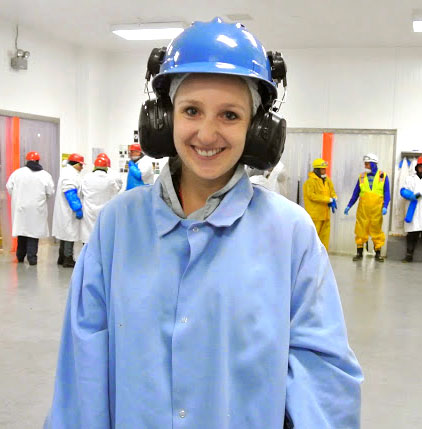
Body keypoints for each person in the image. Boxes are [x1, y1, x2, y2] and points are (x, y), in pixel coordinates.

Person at [45, 18, 362, 429]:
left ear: (258, 130)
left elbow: (324, 379)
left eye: (229, 115)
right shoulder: (118, 227)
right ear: (163, 118)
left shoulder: (289, 234)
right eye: (191, 110)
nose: (207, 134)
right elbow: (82, 365)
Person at [5, 151, 55, 265]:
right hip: (37, 208)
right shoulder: (45, 175)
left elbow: (9, 187)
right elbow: (50, 192)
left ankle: (20, 256)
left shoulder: (17, 173)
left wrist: (18, 197)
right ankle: (32, 258)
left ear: (27, 160)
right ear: (38, 161)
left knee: (22, 231)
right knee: (34, 233)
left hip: (21, 207)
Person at [344, 153, 390, 262]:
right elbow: (356, 193)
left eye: (367, 163)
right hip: (363, 210)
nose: (365, 165)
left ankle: (377, 253)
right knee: (360, 230)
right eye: (365, 163)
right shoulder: (362, 177)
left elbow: (387, 193)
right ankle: (359, 253)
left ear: (373, 163)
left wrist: (385, 206)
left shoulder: (383, 176)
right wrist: (349, 205)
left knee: (377, 230)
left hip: (377, 210)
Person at [52, 153, 84, 268]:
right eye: (81, 165)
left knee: (65, 234)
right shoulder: (70, 175)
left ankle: (61, 258)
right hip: (69, 210)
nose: (82, 167)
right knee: (69, 235)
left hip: (65, 210)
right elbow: (70, 193)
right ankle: (68, 259)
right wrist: (77, 208)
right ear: (75, 164)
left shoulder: (68, 172)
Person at [80, 157, 121, 243]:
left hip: (89, 210)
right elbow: (116, 190)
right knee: (102, 235)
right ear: (106, 168)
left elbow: (80, 192)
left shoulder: (87, 177)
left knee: (88, 235)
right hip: (104, 210)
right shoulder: (110, 179)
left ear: (94, 167)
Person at [303, 158, 337, 250]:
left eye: (325, 169)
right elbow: (312, 196)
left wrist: (334, 198)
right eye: (322, 169)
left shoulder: (327, 180)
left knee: (324, 238)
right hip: (315, 215)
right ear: (316, 170)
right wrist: (328, 199)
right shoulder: (310, 182)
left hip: (325, 215)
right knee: (313, 237)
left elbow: (332, 191)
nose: (324, 171)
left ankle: (323, 256)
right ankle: (310, 255)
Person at [400, 156, 422, 262]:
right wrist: (412, 195)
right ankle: (409, 256)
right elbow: (403, 191)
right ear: (417, 167)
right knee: (412, 234)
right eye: (421, 166)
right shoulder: (410, 178)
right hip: (413, 210)